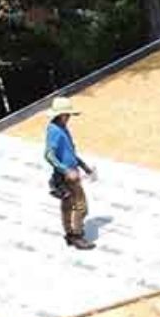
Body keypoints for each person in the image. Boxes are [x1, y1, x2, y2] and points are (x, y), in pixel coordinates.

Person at [44, 96, 96, 250]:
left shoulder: (62, 128)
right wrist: (66, 170)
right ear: (60, 114)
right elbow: (48, 155)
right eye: (67, 114)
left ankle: (70, 234)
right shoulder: (54, 131)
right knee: (81, 207)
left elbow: (69, 153)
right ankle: (77, 236)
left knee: (67, 206)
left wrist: (84, 166)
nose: (69, 117)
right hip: (67, 177)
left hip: (70, 173)